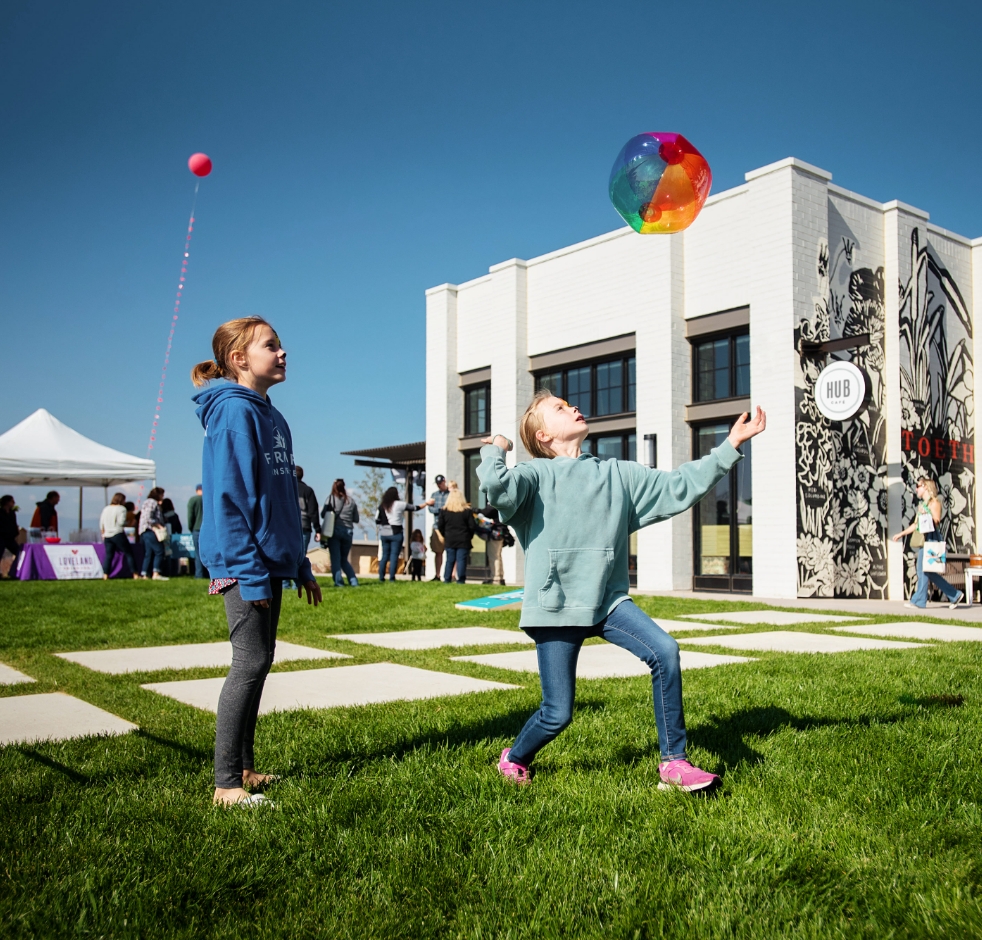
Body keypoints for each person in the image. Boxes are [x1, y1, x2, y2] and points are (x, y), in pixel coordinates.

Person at [480, 391, 766, 791]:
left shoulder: (618, 473)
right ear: (543, 436)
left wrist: (729, 446)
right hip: (556, 608)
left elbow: (679, 486)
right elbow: (496, 486)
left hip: (609, 603)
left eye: (570, 403)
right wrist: (496, 446)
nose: (574, 407)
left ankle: (674, 763)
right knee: (557, 713)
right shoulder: (533, 477)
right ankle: (515, 756)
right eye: (560, 408)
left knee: (665, 651)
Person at [192, 314, 321, 807]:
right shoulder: (232, 413)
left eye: (282, 344)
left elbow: (281, 500)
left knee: (261, 661)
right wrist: (249, 573)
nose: (283, 352)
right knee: (248, 661)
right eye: (272, 346)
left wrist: (300, 564)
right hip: (243, 561)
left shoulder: (273, 416)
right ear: (239, 359)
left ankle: (244, 769)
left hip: (271, 561)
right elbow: (228, 498)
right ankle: (226, 784)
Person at [892, 477, 965, 609]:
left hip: (931, 538)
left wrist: (927, 513)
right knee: (928, 572)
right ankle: (954, 594)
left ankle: (919, 600)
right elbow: (916, 525)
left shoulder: (934, 503)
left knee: (922, 571)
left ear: (926, 487)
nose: (916, 489)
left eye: (918, 486)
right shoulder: (923, 505)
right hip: (924, 538)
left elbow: (936, 521)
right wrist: (901, 534)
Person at [377, 486, 433, 581]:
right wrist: (426, 503)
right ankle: (391, 578)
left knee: (385, 555)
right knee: (394, 555)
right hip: (396, 532)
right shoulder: (400, 504)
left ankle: (381, 577)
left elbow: (377, 520)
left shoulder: (382, 506)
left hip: (384, 533)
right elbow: (415, 508)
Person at [322, 479, 359, 587]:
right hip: (348, 531)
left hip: (334, 530)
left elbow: (323, 514)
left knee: (335, 559)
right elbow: (356, 518)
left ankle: (339, 582)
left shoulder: (330, 499)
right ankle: (353, 581)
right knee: (344, 558)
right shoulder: (351, 501)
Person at [438, 484, 476, 583]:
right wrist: (469, 536)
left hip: (450, 538)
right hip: (463, 538)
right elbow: (472, 526)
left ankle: (447, 579)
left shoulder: (444, 511)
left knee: (450, 559)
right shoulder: (467, 511)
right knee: (461, 560)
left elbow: (440, 526)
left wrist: (445, 535)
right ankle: (461, 579)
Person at [100, 493, 138, 580]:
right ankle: (135, 573)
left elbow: (101, 523)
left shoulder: (106, 508)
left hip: (107, 535)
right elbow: (121, 522)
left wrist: (103, 533)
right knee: (129, 553)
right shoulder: (121, 509)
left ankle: (105, 574)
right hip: (117, 533)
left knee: (109, 555)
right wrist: (129, 524)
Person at [137, 487, 169, 581]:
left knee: (149, 553)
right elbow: (149, 518)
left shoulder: (146, 502)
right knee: (159, 551)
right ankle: (156, 572)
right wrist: (159, 525)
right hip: (150, 530)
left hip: (144, 531)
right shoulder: (152, 502)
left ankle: (145, 573)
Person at [428, 474, 449, 580]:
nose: (439, 485)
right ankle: (437, 575)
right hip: (437, 526)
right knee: (438, 551)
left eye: (440, 483)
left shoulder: (450, 494)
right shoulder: (434, 495)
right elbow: (430, 509)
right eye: (437, 484)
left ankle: (452, 575)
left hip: (449, 527)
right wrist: (440, 510)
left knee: (451, 551)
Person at [481, 502, 507, 585]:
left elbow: (486, 512)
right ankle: (499, 577)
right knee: (498, 556)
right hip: (500, 532)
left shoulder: (495, 502)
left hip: (496, 532)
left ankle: (495, 578)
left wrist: (477, 510)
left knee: (494, 556)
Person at [296, 466, 320, 550]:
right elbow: (313, 511)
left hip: (288, 525)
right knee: (301, 556)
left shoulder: (286, 489)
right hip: (304, 525)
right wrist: (317, 529)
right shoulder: (308, 490)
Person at [187, 485, 207, 579]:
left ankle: (199, 574)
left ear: (197, 490)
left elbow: (190, 516)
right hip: (208, 529)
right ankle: (210, 574)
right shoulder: (208, 499)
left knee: (198, 554)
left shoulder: (193, 500)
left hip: (197, 529)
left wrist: (191, 527)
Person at [0, 495, 22, 579]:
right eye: (12, 501)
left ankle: (14, 571)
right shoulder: (1, 512)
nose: (14, 503)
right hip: (1, 537)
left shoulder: (12, 513)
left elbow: (14, 524)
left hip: (10, 538)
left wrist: (16, 533)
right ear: (7, 502)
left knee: (19, 553)